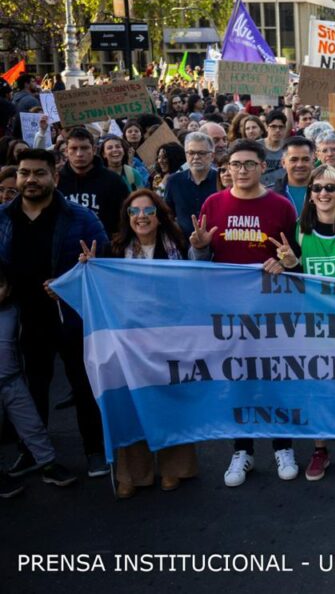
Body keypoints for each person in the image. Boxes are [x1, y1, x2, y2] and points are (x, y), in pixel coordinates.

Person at [188, 139, 300, 487]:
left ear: (262, 167)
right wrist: (200, 249)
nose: (241, 170)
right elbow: (200, 264)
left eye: (248, 164)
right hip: (228, 310)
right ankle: (242, 449)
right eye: (235, 164)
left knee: (275, 378)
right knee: (238, 379)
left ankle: (283, 445)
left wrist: (286, 262)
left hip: (271, 310)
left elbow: (294, 260)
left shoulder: (282, 207)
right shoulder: (212, 203)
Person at [79, 189, 200, 498]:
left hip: (170, 336)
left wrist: (201, 251)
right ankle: (133, 473)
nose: (142, 217)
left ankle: (174, 468)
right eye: (135, 212)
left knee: (169, 401)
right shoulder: (112, 251)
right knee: (131, 403)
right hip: (128, 340)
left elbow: (198, 279)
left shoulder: (179, 245)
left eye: (148, 211)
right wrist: (89, 269)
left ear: (159, 216)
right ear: (127, 217)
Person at [0, 149, 109, 478]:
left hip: (70, 316)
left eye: (39, 173)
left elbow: (102, 258)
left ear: (54, 177)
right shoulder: (4, 217)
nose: (30, 179)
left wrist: (69, 282)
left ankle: (94, 450)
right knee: (33, 387)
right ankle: (32, 451)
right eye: (24, 173)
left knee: (83, 383)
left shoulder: (79, 218)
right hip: (23, 318)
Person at [267, 165, 335, 483]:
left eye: (330, 187)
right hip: (314, 323)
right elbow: (297, 271)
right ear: (310, 195)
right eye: (317, 189)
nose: (323, 194)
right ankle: (320, 449)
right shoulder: (302, 228)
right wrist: (288, 263)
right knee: (318, 388)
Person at [0, 264, 77, 498]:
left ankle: (48, 464)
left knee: (32, 425)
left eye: (0, 285)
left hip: (13, 382)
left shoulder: (15, 311)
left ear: (9, 288)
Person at [59, 126, 131, 236]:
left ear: (94, 150)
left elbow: (124, 220)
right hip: (65, 249)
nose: (79, 154)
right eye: (74, 148)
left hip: (104, 249)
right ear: (66, 151)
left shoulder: (114, 181)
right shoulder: (55, 182)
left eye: (84, 148)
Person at [163, 131, 218, 237]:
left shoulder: (221, 180)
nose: (196, 157)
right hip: (183, 245)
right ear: (186, 155)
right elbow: (167, 214)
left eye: (201, 153)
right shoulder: (173, 181)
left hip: (217, 243)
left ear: (212, 156)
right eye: (191, 153)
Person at [272, 137, 315, 214]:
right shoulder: (270, 195)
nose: (300, 165)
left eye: (305, 159)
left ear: (313, 162)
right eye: (294, 160)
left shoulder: (326, 192)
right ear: (283, 163)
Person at [259, 110, 290, 186]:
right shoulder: (256, 146)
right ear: (266, 127)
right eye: (273, 126)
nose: (277, 130)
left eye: (281, 127)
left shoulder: (289, 148)